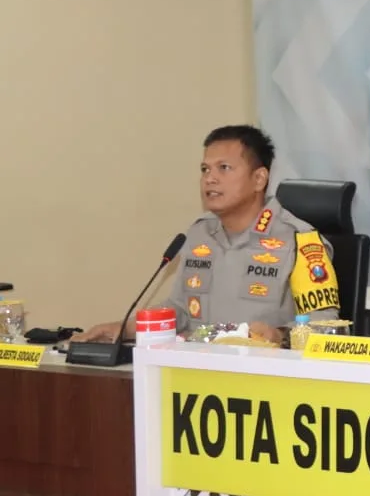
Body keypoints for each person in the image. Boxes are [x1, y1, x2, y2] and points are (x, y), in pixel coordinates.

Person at [73, 125, 340, 344]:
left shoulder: (300, 241)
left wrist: (279, 335)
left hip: (266, 377)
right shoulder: (199, 233)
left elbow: (326, 326)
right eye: (205, 169)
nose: (210, 178)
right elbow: (180, 310)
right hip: (198, 372)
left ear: (259, 179)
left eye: (224, 168)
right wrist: (124, 329)